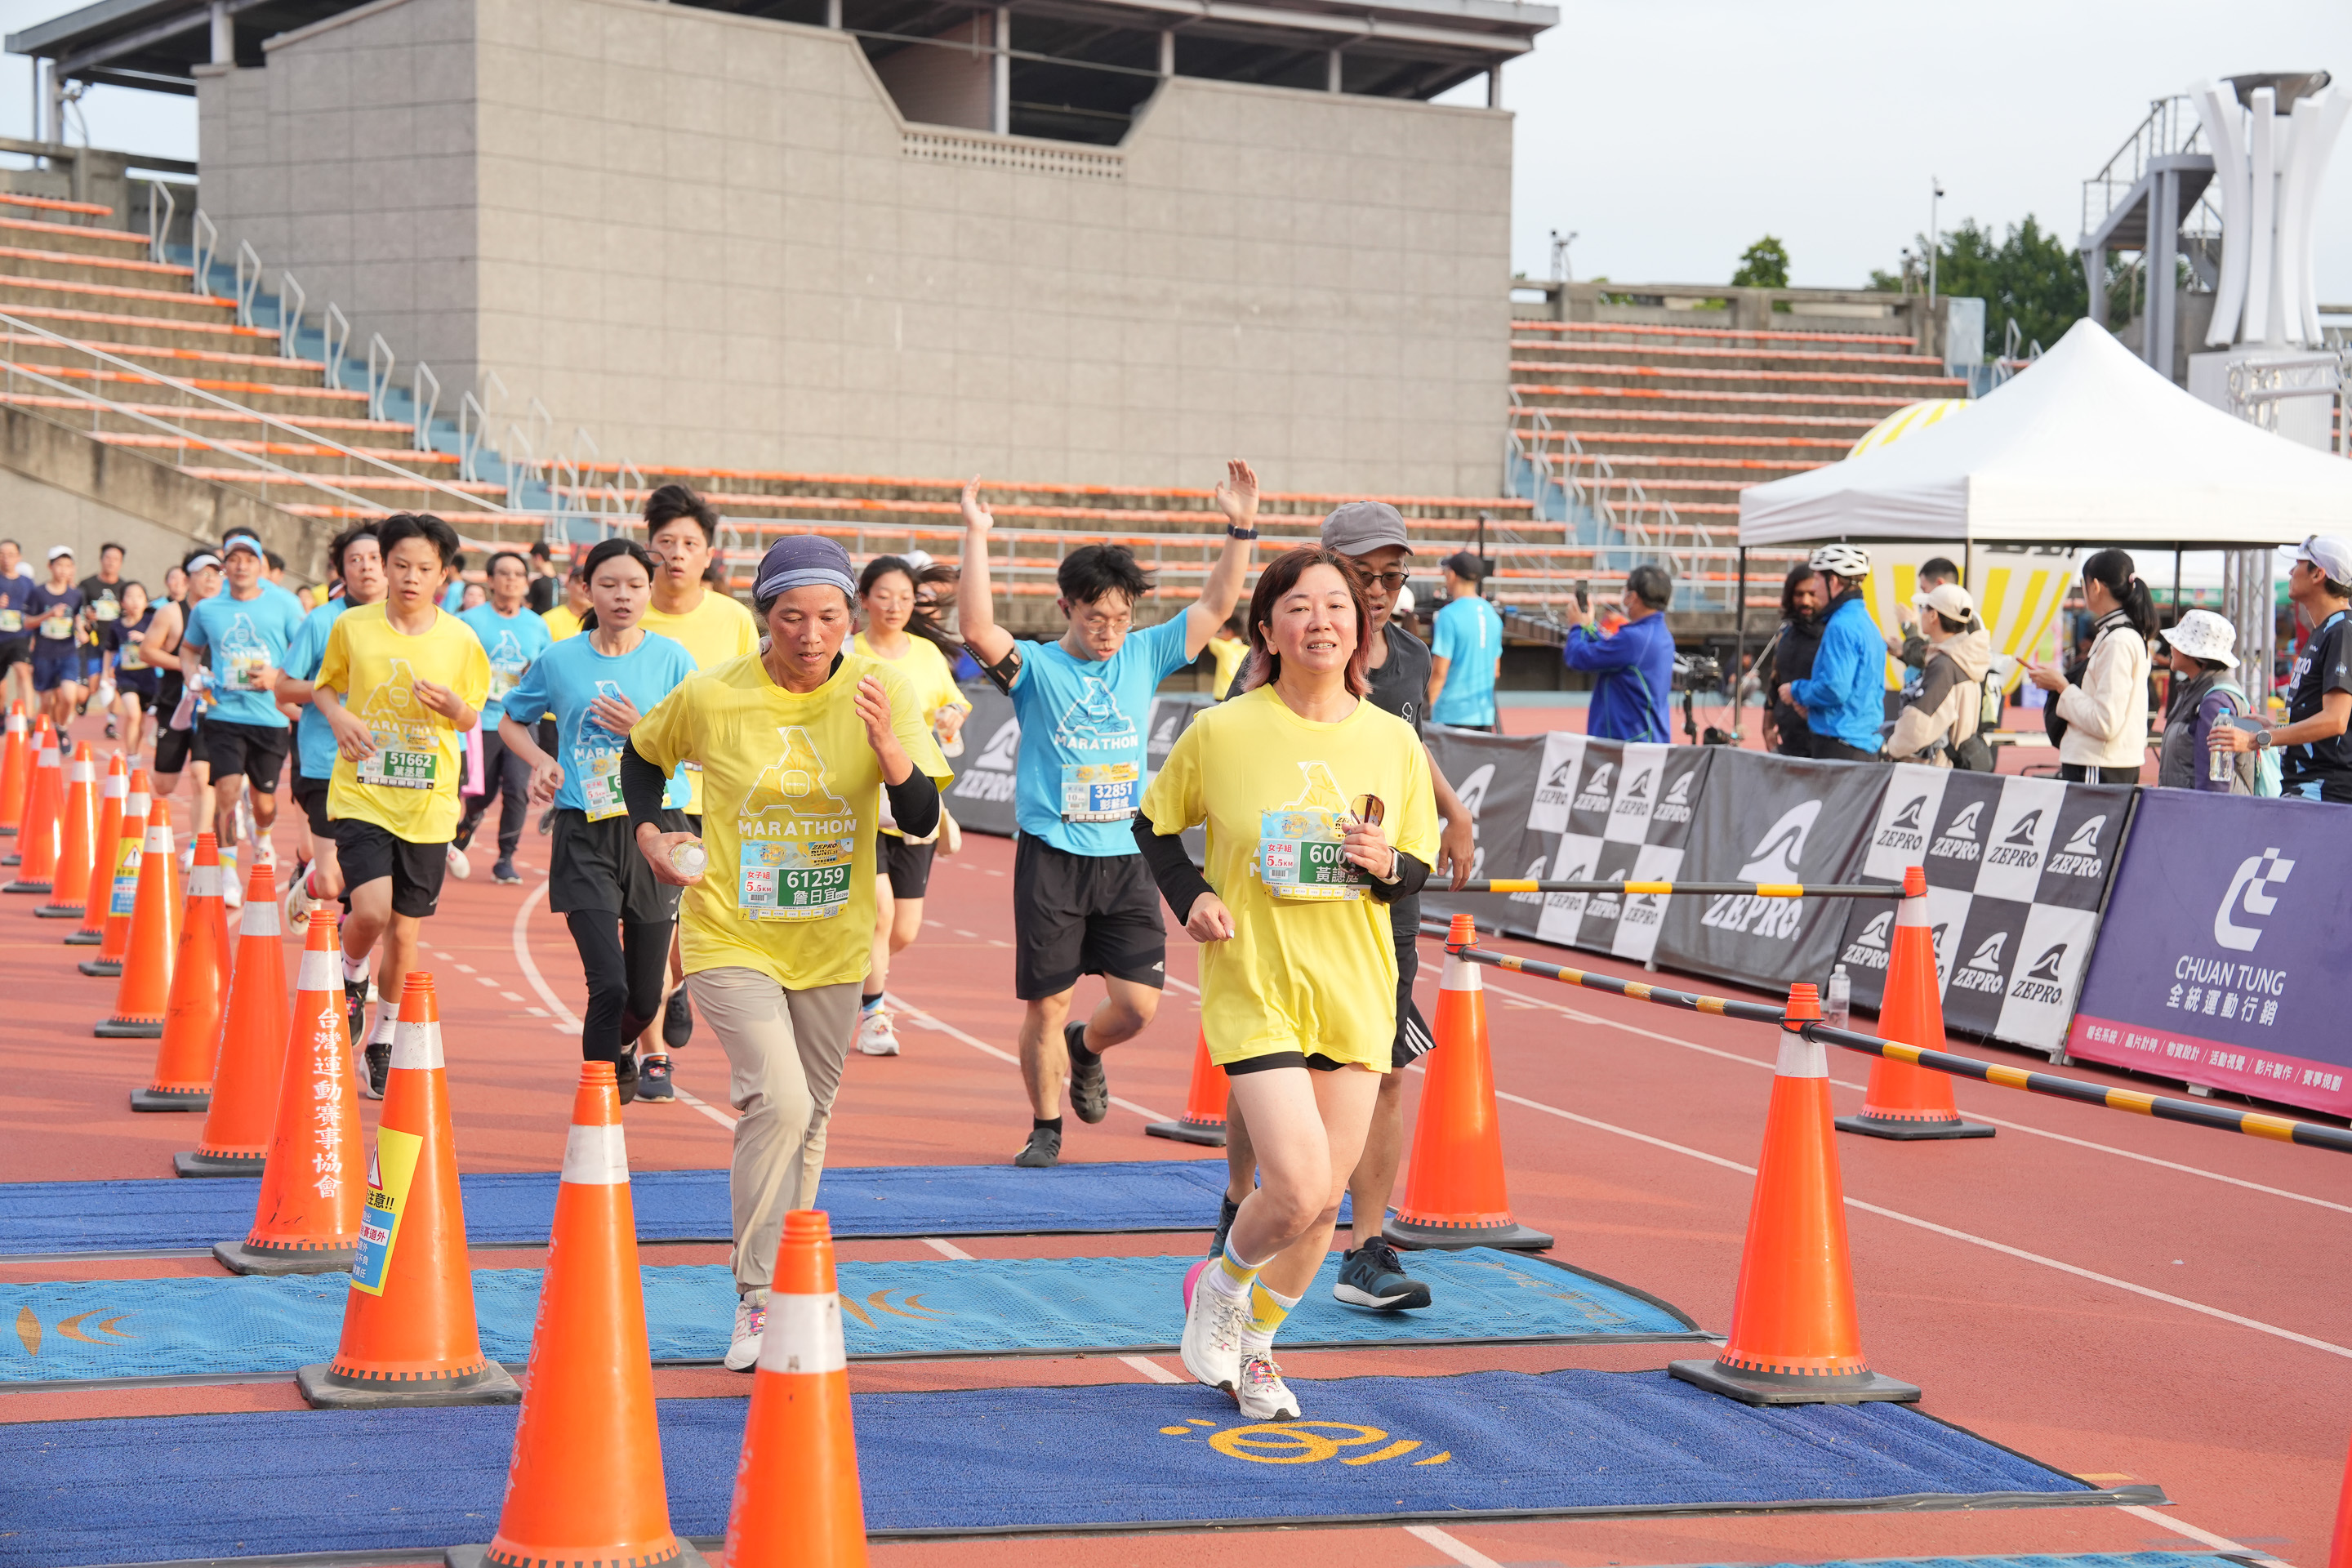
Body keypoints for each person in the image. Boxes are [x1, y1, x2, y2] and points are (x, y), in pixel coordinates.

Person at [619, 533, 949, 1370]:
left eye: (829, 617)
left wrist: (889, 747)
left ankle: (784, 1279)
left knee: (812, 1115)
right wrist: (653, 836)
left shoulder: (883, 690)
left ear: (852, 617)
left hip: (833, 944)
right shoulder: (714, 694)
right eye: (792, 617)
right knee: (781, 1101)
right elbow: (642, 757)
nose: (811, 634)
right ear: (765, 616)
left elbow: (919, 817)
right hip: (731, 931)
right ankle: (758, 1296)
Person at [1138, 546, 1437, 1419]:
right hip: (1256, 980)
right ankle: (1223, 1285)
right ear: (1267, 630)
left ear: (1362, 627)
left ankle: (1259, 1346)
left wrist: (1389, 863)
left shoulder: (1393, 741)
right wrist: (1192, 896)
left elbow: (1414, 865)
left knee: (1321, 1209)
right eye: (1299, 607)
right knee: (1299, 1186)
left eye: (1337, 606)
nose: (1321, 622)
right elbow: (1154, 826)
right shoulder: (1223, 731)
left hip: (1356, 987)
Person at [956, 462, 1257, 1169]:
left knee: (1139, 1006)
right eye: (1096, 619)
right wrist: (977, 535)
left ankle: (1085, 1050)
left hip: (1126, 856)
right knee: (1047, 1005)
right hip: (1053, 856)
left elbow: (1216, 605)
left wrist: (1241, 527)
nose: (1110, 632)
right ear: (1067, 607)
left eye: (1121, 619)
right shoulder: (1036, 669)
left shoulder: (1145, 654)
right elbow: (976, 627)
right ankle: (1045, 1127)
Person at [1216, 501, 1474, 1315]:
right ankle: (1240, 1199)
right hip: (1287, 902)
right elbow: (1241, 744)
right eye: (1364, 575)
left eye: (1393, 576)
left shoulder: (1410, 657)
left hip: (1378, 891)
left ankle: (1366, 1249)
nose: (1379, 590)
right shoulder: (1283, 651)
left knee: (1386, 1071)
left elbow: (1406, 751)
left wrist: (1453, 813)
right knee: (1272, 1066)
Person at [498, 538, 695, 1102]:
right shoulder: (559, 659)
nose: (622, 595)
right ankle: (598, 1101)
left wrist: (644, 728)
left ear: (650, 590)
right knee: (607, 983)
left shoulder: (673, 659)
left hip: (657, 828)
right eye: (609, 584)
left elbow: (702, 746)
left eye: (635, 585)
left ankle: (625, 1044)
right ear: (587, 589)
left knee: (644, 996)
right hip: (584, 829)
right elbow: (512, 720)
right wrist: (540, 760)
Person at [310, 514, 489, 1097]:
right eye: (401, 565)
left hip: (428, 802)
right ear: (383, 566)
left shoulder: (460, 639)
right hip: (363, 790)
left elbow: (472, 716)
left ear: (444, 575)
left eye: (424, 568)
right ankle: (350, 973)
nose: (412, 577)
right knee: (370, 912)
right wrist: (338, 716)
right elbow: (324, 686)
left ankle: (381, 1042)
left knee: (406, 935)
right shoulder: (353, 627)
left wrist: (453, 709)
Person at [639, 483, 761, 1067]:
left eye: (690, 544)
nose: (677, 554)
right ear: (649, 547)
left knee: (697, 922)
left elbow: (754, 700)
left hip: (719, 796)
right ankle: (654, 1053)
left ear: (709, 554)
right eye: (667, 542)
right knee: (647, 924)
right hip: (647, 793)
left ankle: (677, 981)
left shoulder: (733, 619)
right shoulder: (628, 609)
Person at [850, 555, 971, 1058]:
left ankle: (857, 975)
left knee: (903, 929)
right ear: (864, 600)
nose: (895, 605)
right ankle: (874, 1017)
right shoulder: (847, 653)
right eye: (884, 595)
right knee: (879, 915)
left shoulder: (927, 654)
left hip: (914, 802)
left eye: (905, 597)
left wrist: (952, 715)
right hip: (860, 801)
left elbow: (953, 702)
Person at [277, 523, 385, 929]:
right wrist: (331, 688)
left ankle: (351, 955)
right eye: (355, 560)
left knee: (372, 879)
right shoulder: (322, 621)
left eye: (375, 558)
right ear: (341, 570)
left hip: (383, 764)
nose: (366, 567)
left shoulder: (408, 625)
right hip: (326, 763)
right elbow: (283, 688)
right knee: (332, 881)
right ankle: (310, 884)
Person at [182, 532, 306, 888]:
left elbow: (306, 652)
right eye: (234, 559)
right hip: (224, 714)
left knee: (264, 803)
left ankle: (262, 836)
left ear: (260, 565)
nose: (241, 566)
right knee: (226, 791)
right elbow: (189, 649)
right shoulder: (208, 608)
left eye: (249, 559)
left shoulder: (284, 604)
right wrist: (194, 676)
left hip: (270, 717)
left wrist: (277, 676)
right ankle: (227, 872)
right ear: (225, 566)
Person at [2210, 534, 2352, 800]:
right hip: (2309, 789)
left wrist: (2258, 739)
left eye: (2298, 564)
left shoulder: (2341, 630)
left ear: (2318, 574)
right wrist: (2275, 727)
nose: (2290, 571)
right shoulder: (2328, 630)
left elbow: (2336, 720)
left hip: (2324, 792)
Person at [455, 550, 555, 885]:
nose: (512, 579)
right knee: (479, 792)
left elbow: (545, 669)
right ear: (490, 579)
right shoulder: (469, 620)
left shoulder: (536, 625)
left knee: (516, 789)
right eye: (504, 573)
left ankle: (505, 858)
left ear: (526, 582)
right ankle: (471, 818)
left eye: (518, 574)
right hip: (479, 720)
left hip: (520, 721)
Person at [2029, 548, 2154, 785]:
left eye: (2083, 584)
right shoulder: (2120, 633)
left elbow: (2105, 722)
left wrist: (2062, 686)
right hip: (2103, 761)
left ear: (2095, 586)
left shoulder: (2118, 639)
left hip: (2099, 763)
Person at [1780, 543, 1883, 763]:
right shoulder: (1866, 622)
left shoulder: (1840, 625)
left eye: (1817, 580)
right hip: (1862, 744)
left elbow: (1835, 689)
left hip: (1839, 746)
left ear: (1833, 581)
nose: (1815, 588)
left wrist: (1795, 690)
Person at [1560, 562, 1674, 742]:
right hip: (1642, 738)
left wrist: (1577, 627)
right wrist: (1589, 627)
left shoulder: (1635, 638)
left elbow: (1577, 657)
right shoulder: (1657, 633)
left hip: (1628, 743)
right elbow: (1610, 652)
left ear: (1633, 597)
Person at [1882, 581, 1992, 768]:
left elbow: (1919, 725)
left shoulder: (1945, 665)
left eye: (1924, 608)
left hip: (1937, 769)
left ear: (1934, 616)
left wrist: (1890, 747)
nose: (1921, 614)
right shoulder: (1965, 656)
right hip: (1954, 766)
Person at [145, 551, 218, 805]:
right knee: (163, 785)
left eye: (216, 574)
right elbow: (147, 651)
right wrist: (187, 667)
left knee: (202, 775)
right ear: (188, 578)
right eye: (204, 574)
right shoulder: (171, 613)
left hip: (212, 707)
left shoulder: (226, 614)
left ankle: (204, 831)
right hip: (174, 704)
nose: (211, 580)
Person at [2157, 610, 2252, 793]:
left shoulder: (2215, 702)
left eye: (2179, 642)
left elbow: (2215, 783)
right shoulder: (2198, 690)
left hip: (2201, 809)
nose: (2171, 646)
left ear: (2197, 655)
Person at [1753, 564, 1825, 756]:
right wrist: (1767, 725)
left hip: (1821, 743)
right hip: (1788, 742)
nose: (1805, 601)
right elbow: (1776, 679)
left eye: (1812, 594)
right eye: (1799, 594)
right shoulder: (1785, 634)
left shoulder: (1832, 634)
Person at [1427, 552, 1502, 730]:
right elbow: (1496, 670)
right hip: (1484, 715)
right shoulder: (1492, 615)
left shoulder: (1448, 615)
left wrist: (1431, 707)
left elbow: (1439, 671)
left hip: (1451, 714)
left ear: (1452, 575)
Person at [24, 546, 87, 734]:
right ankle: (39, 733)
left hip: (68, 652)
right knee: (46, 702)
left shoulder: (76, 594)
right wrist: (49, 614)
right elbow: (27, 622)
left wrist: (81, 631)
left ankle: (61, 729)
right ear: (50, 566)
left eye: (68, 566)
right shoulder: (38, 593)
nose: (64, 570)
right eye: (59, 565)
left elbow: (77, 618)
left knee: (69, 696)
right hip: (43, 653)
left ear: (73, 568)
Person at [100, 581, 158, 757]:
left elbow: (163, 643)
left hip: (149, 678)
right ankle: (131, 757)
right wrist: (105, 673)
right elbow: (110, 650)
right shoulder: (117, 625)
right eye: (130, 597)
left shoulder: (152, 621)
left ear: (146, 600)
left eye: (139, 596)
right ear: (122, 602)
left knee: (140, 722)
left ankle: (135, 752)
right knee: (133, 714)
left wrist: (146, 638)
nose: (135, 601)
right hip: (126, 677)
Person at [1886, 556, 1964, 670]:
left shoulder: (1957, 618)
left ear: (1939, 584)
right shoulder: (1961, 614)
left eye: (1924, 589)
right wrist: (1902, 652)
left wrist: (1909, 627)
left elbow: (1925, 657)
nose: (1924, 596)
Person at [77, 542, 127, 699]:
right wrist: (86, 616)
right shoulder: (87, 584)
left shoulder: (124, 588)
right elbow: (77, 610)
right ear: (101, 559)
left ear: (121, 563)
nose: (111, 562)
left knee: (114, 682)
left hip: (116, 642)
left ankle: (112, 715)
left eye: (116, 559)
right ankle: (82, 704)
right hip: (93, 641)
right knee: (91, 685)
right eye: (108, 558)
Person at [542, 562, 590, 643]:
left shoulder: (602, 621)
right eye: (579, 582)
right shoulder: (549, 620)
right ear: (567, 584)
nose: (584, 589)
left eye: (589, 584)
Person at [1207, 612, 1248, 700]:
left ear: (1229, 631)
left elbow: (1207, 638)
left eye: (1222, 630)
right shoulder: (1248, 651)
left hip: (1222, 696)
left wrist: (1220, 635)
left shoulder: (1223, 647)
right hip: (1240, 696)